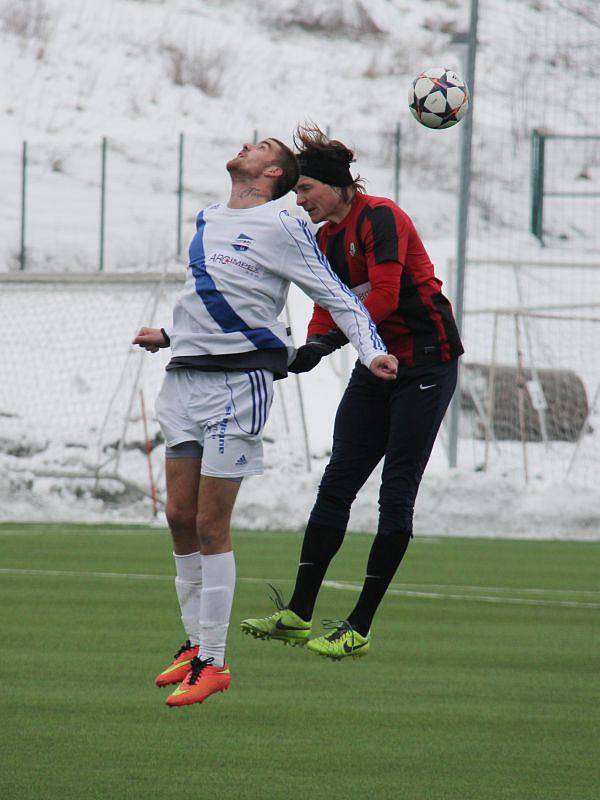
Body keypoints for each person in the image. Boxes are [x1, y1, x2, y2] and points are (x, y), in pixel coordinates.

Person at [133, 135, 398, 707]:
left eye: (260, 146)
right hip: (184, 376)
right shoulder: (207, 217)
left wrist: (369, 349)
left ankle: (215, 661)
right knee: (178, 516)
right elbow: (216, 302)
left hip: (238, 383)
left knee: (209, 523)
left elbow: (340, 297)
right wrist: (170, 335)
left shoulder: (285, 224)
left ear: (273, 170)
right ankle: (193, 643)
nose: (244, 146)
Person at [240, 124, 463, 659]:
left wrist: (328, 345)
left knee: (395, 495)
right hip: (377, 365)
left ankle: (358, 625)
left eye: (306, 189)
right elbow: (330, 302)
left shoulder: (381, 217)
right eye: (295, 192)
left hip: (426, 365)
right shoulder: (324, 239)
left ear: (338, 187)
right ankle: (298, 613)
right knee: (336, 484)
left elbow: (381, 299)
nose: (301, 199)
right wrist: (313, 344)